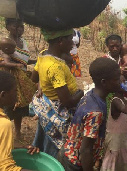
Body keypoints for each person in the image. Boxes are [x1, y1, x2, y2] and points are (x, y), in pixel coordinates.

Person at [56, 58, 121, 171]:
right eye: (116, 79)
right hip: (75, 163)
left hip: (68, 152)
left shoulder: (90, 96)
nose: (119, 82)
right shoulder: (96, 112)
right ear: (104, 82)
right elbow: (85, 150)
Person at [30, 29, 84, 157]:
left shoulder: (43, 55)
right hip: (57, 111)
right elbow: (67, 102)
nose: (72, 43)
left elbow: (33, 78)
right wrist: (82, 93)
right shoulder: (55, 67)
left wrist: (44, 84)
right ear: (60, 41)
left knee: (45, 141)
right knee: (54, 148)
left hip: (47, 104)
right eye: (70, 39)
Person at [0, 18, 37, 139]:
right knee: (8, 104)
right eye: (15, 26)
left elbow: (24, 60)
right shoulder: (6, 42)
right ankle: (5, 131)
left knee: (20, 106)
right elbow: (4, 62)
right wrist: (16, 65)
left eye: (21, 26)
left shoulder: (23, 41)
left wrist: (36, 61)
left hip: (22, 78)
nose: (19, 29)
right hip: (11, 78)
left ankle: (17, 131)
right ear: (8, 27)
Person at [0, 70, 39, 171]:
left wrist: (17, 147)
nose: (17, 94)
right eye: (15, 91)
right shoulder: (4, 124)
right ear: (3, 95)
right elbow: (6, 168)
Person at [101, 75, 127, 171]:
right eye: (121, 82)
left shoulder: (125, 100)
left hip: (121, 138)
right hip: (114, 138)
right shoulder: (115, 101)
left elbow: (124, 118)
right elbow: (126, 111)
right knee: (112, 161)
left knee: (120, 160)